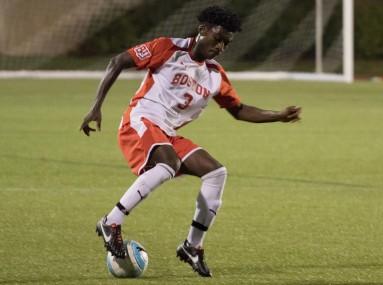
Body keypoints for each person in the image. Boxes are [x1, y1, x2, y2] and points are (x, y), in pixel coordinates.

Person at [80, 5, 301, 278]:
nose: (220, 46)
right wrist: (96, 107)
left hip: (167, 134)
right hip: (140, 121)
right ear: (203, 30)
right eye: (218, 38)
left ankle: (192, 246)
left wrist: (278, 115)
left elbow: (239, 110)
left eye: (226, 43)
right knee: (168, 164)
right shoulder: (167, 48)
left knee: (216, 172)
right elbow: (118, 61)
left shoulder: (215, 75)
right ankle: (111, 221)